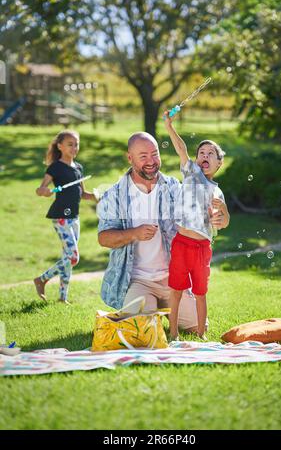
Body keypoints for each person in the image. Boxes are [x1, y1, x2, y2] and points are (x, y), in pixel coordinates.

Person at [97, 131, 227, 333]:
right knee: (142, 331)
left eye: (155, 154)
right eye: (143, 156)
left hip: (173, 278)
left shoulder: (174, 187)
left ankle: (163, 310)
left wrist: (213, 218)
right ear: (130, 158)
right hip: (140, 281)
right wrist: (134, 233)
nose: (151, 161)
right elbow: (103, 238)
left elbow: (197, 213)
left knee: (197, 327)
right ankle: (148, 309)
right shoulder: (115, 194)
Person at [163, 111, 230, 339]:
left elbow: (224, 222)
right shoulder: (191, 173)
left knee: (201, 293)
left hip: (202, 248)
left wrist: (224, 212)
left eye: (211, 153)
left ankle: (201, 334)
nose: (205, 155)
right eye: (201, 152)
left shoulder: (217, 191)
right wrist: (170, 126)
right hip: (182, 242)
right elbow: (181, 148)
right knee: (176, 291)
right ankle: (173, 333)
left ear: (219, 163)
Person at [34, 130, 96, 304]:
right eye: (70, 144)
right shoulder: (55, 167)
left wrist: (98, 197)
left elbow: (83, 193)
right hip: (60, 216)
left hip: (74, 218)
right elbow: (41, 189)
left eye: (76, 144)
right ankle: (42, 279)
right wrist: (44, 191)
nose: (74, 147)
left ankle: (63, 298)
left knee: (67, 257)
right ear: (60, 146)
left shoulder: (79, 168)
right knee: (73, 257)